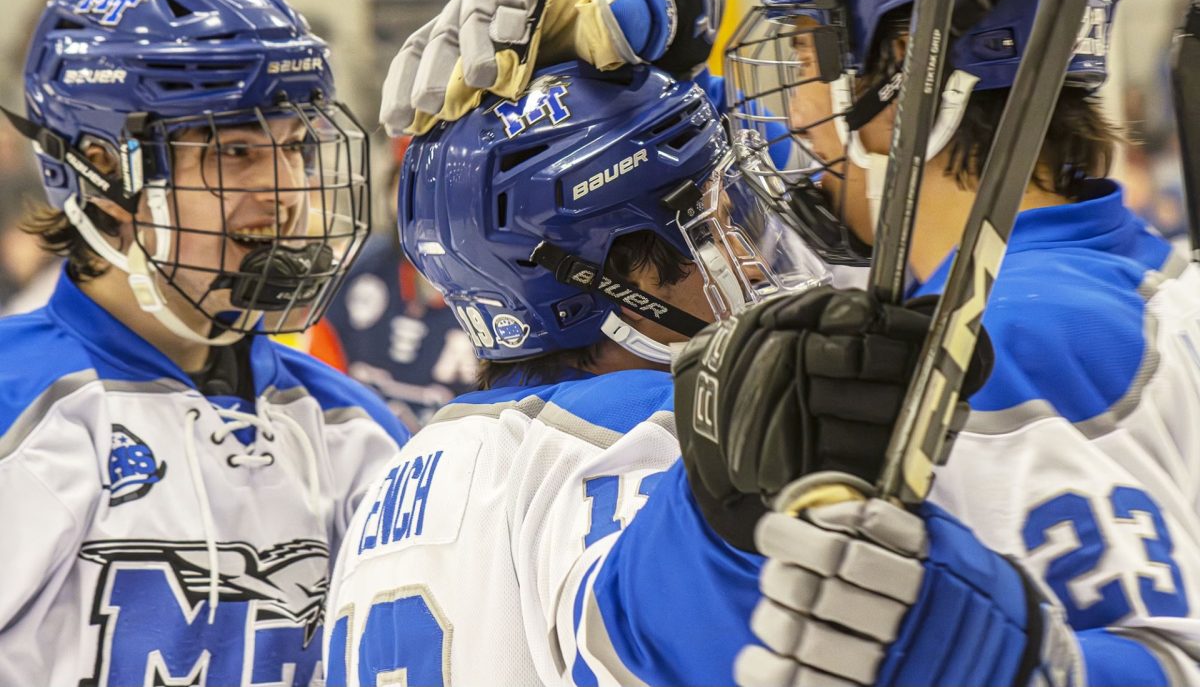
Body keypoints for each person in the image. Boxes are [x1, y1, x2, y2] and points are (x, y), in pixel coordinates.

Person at [376, 0, 1200, 685]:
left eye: (801, 54)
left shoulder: (1003, 341)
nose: (781, 114)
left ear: (907, 66)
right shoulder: (1135, 280)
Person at [321, 59, 1064, 687]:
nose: (747, 252)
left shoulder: (405, 470)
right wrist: (730, 519)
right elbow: (653, 621)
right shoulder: (643, 428)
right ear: (608, 272)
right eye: (717, 221)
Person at [0, 0, 409, 686]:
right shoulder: (20, 409)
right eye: (237, 152)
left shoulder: (350, 428)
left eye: (294, 148)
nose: (285, 193)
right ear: (102, 170)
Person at [318, 136, 477, 431]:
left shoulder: (503, 290)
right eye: (407, 182)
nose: (420, 202)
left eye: (439, 186)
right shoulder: (354, 271)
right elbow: (320, 386)